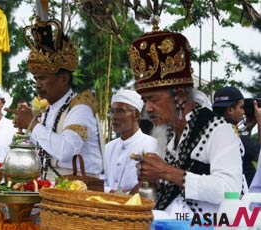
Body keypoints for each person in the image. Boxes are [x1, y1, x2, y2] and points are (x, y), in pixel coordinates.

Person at [130, 29, 243, 218]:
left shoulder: (219, 131)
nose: (147, 109)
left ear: (180, 96)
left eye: (153, 100)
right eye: (144, 101)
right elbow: (167, 191)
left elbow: (229, 189)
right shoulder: (167, 135)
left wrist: (167, 172)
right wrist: (154, 179)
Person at [9, 18, 102, 180]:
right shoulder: (48, 110)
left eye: (43, 78)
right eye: (36, 79)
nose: (38, 85)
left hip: (78, 192)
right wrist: (24, 129)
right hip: (48, 188)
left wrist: (32, 123)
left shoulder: (80, 108)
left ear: (64, 79)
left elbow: (65, 151)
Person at [104, 89, 157, 193]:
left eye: (120, 111)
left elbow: (149, 185)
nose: (114, 117)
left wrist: (123, 197)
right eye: (112, 112)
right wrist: (112, 193)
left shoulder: (152, 146)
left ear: (136, 115)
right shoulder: (108, 148)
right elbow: (100, 181)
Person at [212, 87, 260, 187]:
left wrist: (248, 128)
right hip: (244, 198)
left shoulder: (215, 128)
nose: (243, 112)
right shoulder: (231, 133)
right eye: (241, 107)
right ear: (230, 110)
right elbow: (259, 157)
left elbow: (244, 151)